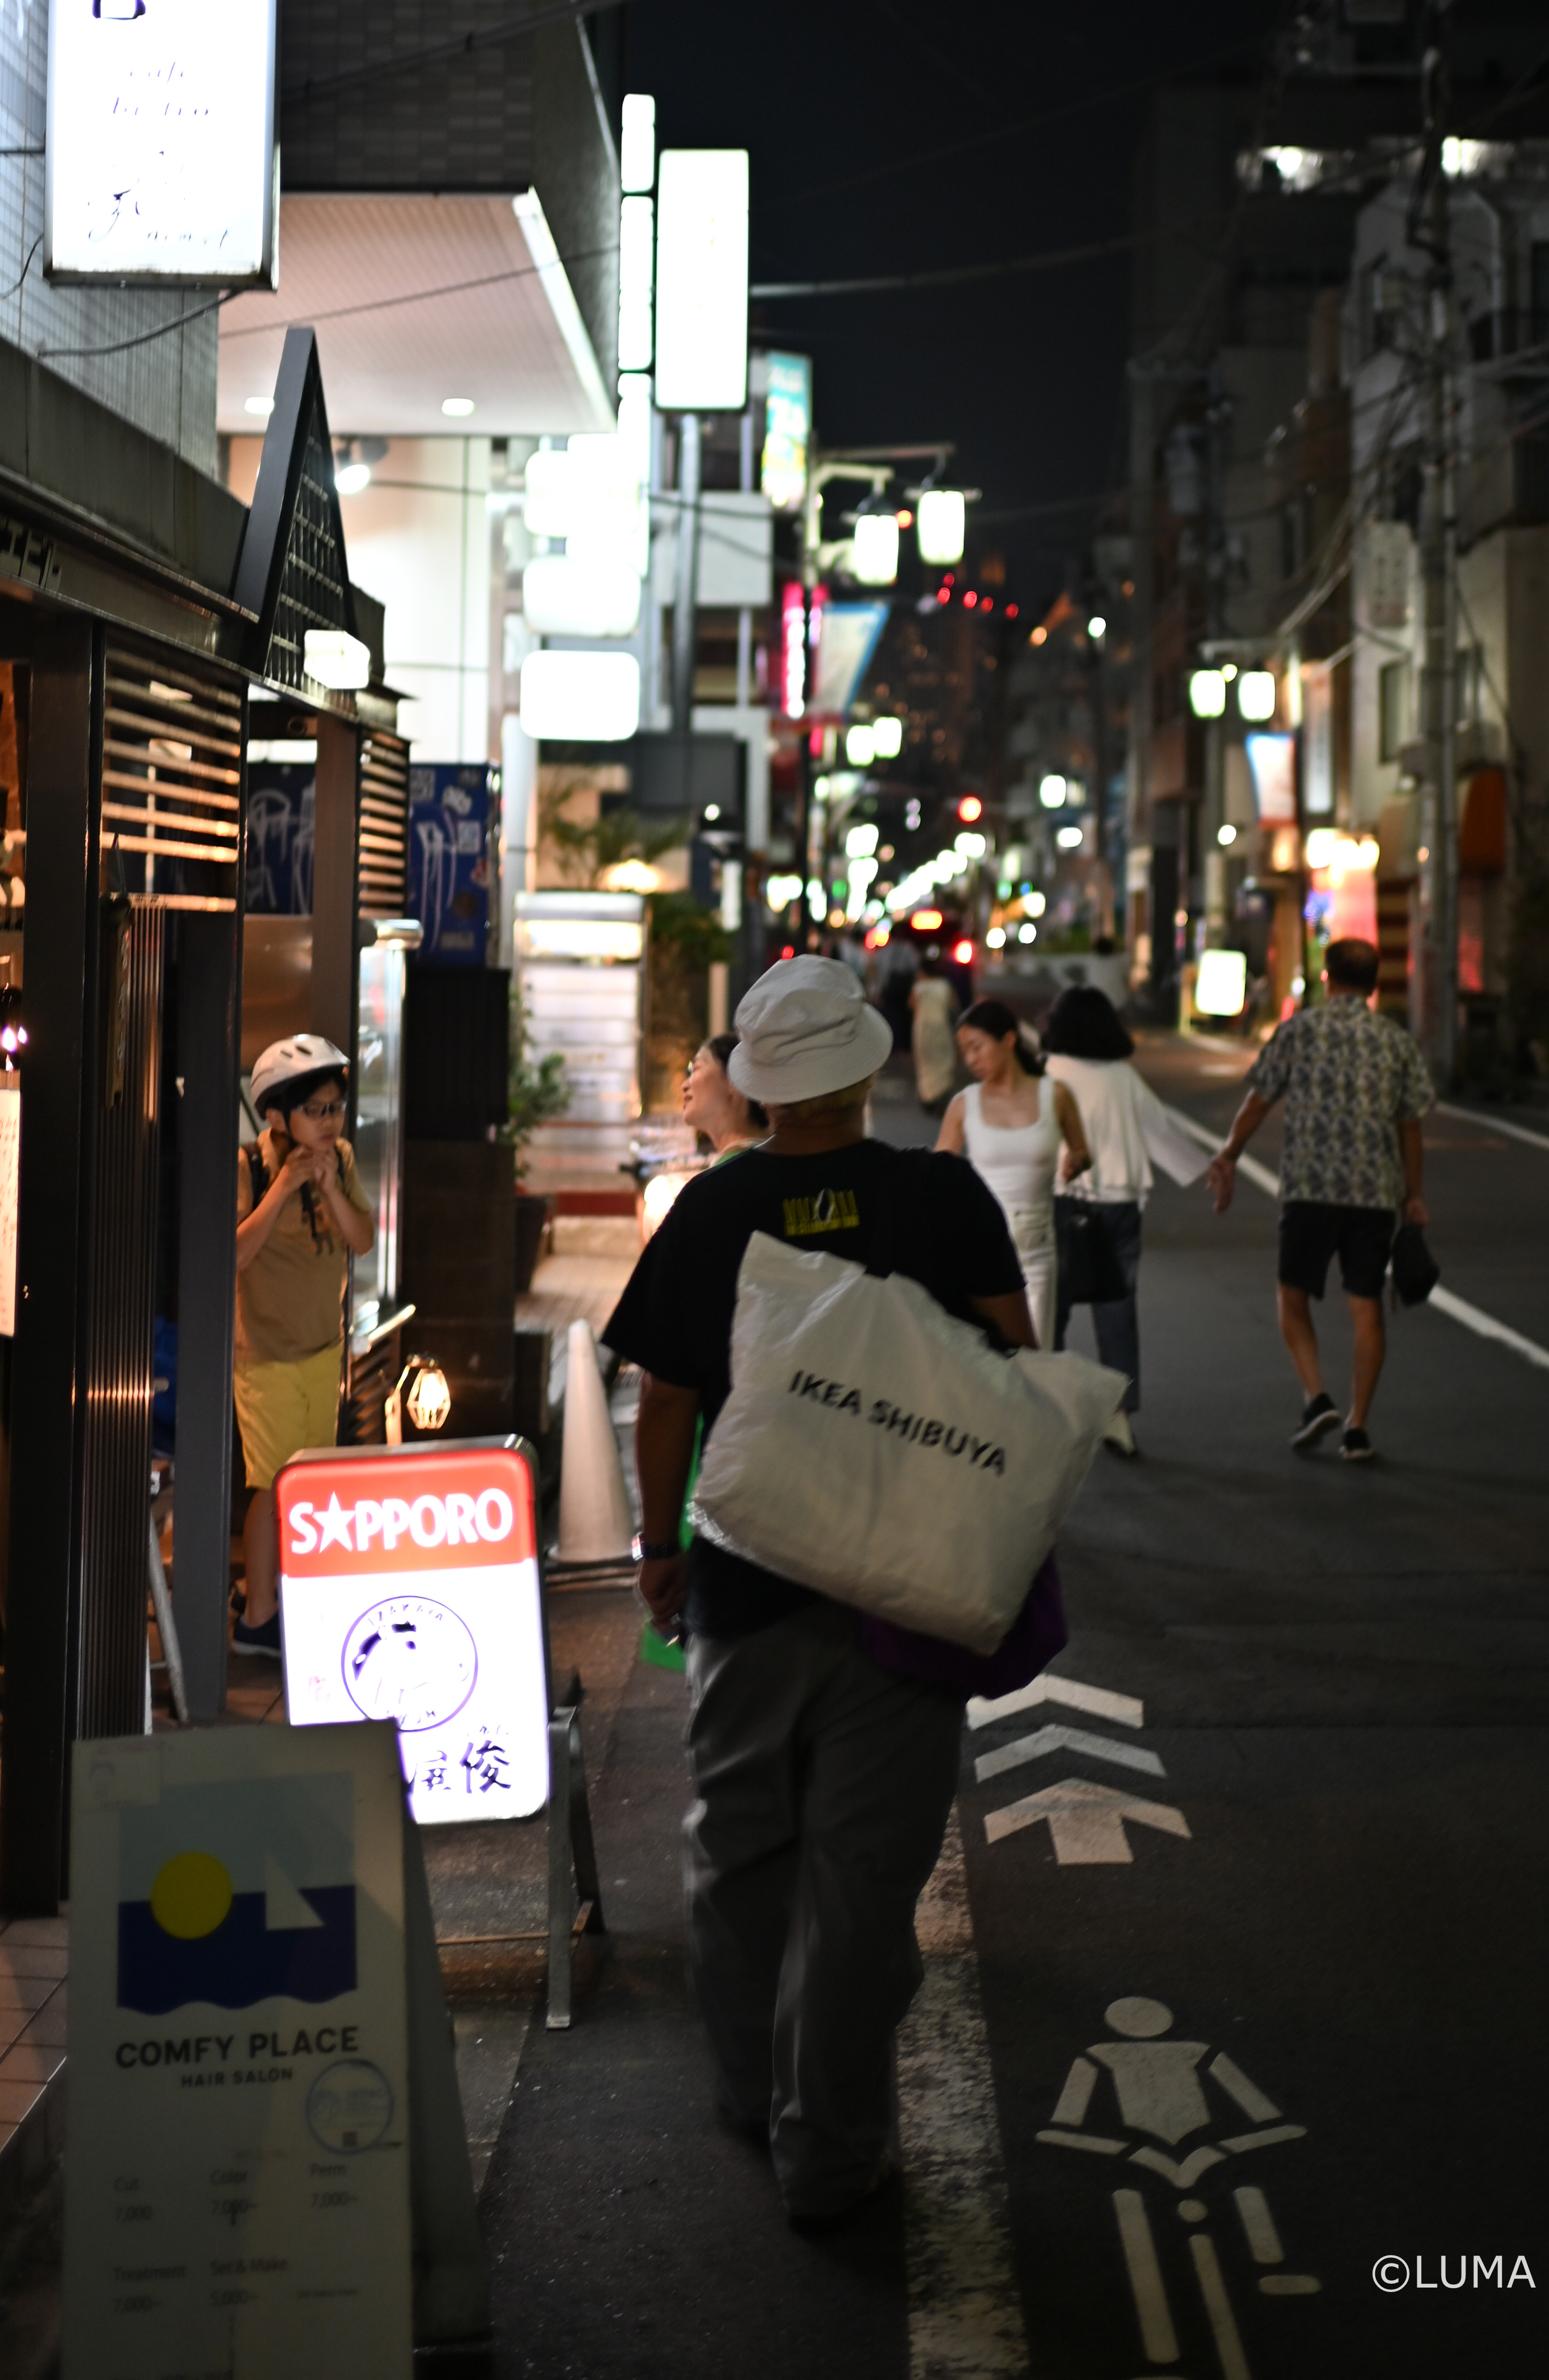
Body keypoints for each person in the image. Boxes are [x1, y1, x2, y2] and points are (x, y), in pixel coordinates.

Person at [605, 954, 1032, 2225]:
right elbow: (1014, 1360)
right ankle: (831, 2151)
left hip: (749, 1573)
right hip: (906, 1587)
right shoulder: (941, 1196)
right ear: (865, 1068)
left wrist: (657, 1548)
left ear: (762, 1087)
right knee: (861, 1880)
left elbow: (666, 1398)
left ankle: (747, 2087)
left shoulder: (714, 1210)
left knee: (738, 1845)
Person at [1202, 936, 1431, 1463]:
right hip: (1374, 1194)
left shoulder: (1298, 1031)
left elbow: (1258, 1101)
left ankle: (1316, 1396)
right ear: (1374, 985)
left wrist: (1230, 1155)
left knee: (1292, 1293)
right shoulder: (1396, 1043)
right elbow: (1411, 1126)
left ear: (1327, 978)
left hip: (1310, 1188)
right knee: (1366, 1306)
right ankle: (1358, 1427)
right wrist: (1414, 1194)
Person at [231, 1033, 373, 1652]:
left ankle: (282, 1591)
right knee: (274, 1483)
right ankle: (257, 1620)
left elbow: (362, 1239)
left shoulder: (340, 1159)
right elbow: (233, 1253)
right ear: (276, 1114)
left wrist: (330, 1187)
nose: (329, 1121)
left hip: (323, 1347)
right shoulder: (249, 1166)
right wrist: (285, 1187)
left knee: (309, 1482)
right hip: (262, 1354)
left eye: (336, 1108)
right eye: (316, 1110)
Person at [938, 994, 1091, 1349]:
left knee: (1036, 1362)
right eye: (965, 1051)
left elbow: (1082, 1150)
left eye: (977, 1047)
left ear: (1009, 1040)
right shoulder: (965, 1105)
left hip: (1037, 1250)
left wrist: (1076, 1161)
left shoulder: (1055, 1094)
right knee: (987, 1364)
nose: (970, 1060)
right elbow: (940, 1175)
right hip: (981, 1253)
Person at [1043, 983, 1154, 1456]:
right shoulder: (1125, 1076)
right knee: (1117, 1310)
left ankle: (1051, 1410)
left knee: (1052, 1308)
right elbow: (1160, 1129)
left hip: (1065, 1201)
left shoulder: (1049, 1073)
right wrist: (1214, 1165)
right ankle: (1120, 1418)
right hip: (1122, 1201)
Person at [683, 1029, 768, 1165]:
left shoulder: (732, 1172)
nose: (684, 1086)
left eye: (696, 1068)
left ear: (736, 1079)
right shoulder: (770, 1161)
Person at [909, 953, 959, 1110]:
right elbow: (954, 1007)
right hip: (942, 1028)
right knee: (944, 1061)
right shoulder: (945, 985)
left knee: (925, 1063)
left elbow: (912, 1006)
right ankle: (943, 1095)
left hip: (923, 1029)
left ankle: (928, 1097)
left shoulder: (919, 988)